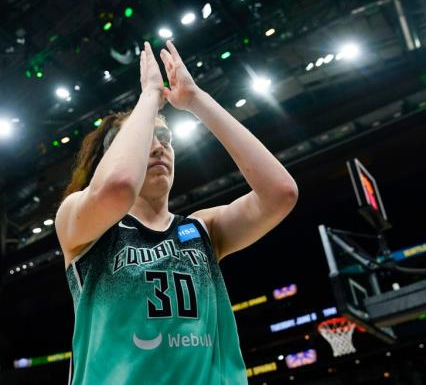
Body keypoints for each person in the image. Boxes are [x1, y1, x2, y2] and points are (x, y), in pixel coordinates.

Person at [55, 40, 298, 384]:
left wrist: (197, 100)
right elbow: (118, 187)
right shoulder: (79, 222)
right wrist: (149, 96)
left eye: (165, 137)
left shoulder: (202, 230)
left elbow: (281, 194)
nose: (159, 147)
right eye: (145, 139)